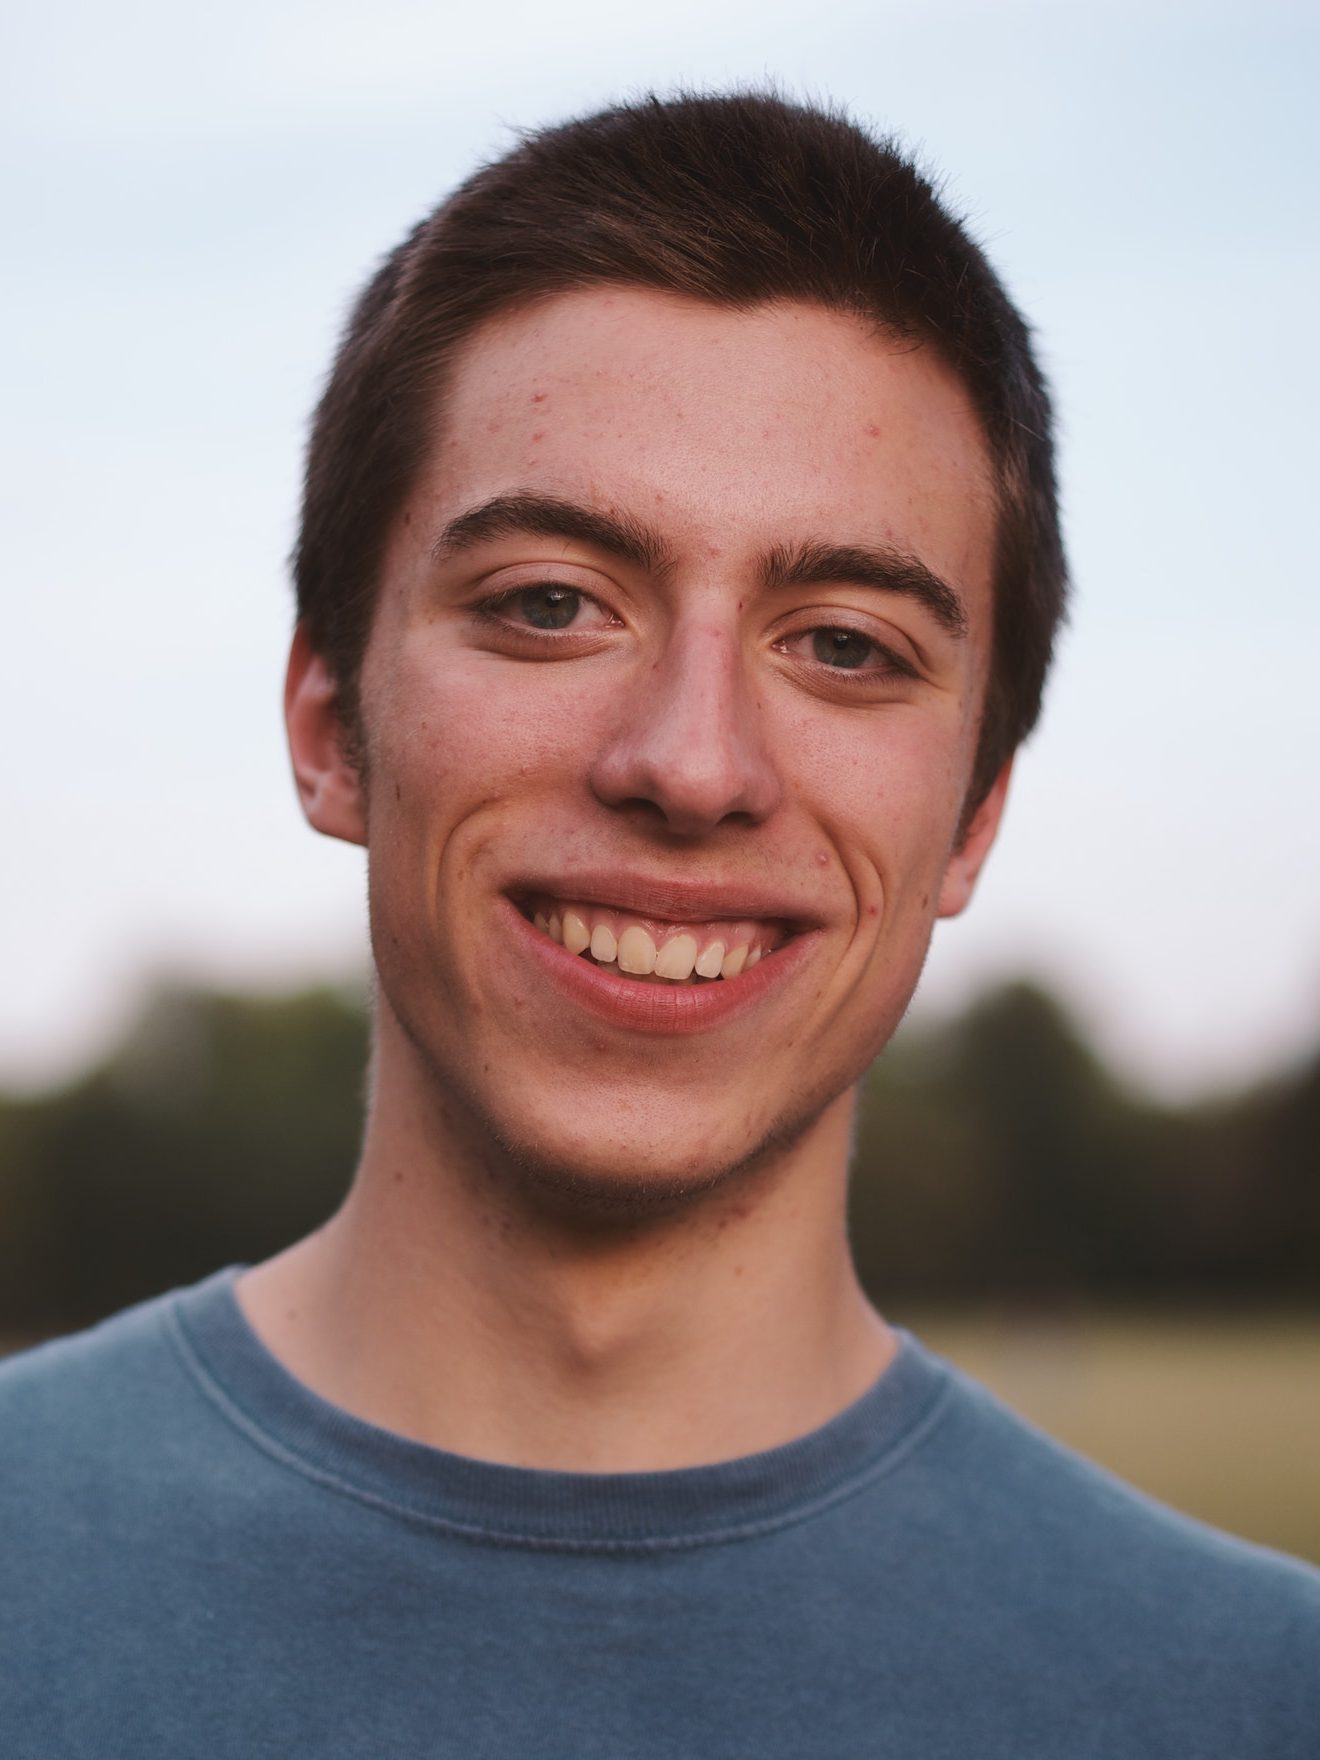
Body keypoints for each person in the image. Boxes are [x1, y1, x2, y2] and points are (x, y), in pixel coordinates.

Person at [2, 92, 1316, 1758]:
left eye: (844, 644)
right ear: (334, 724)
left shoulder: (1262, 1697)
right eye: (551, 604)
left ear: (974, 812)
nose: (692, 764)